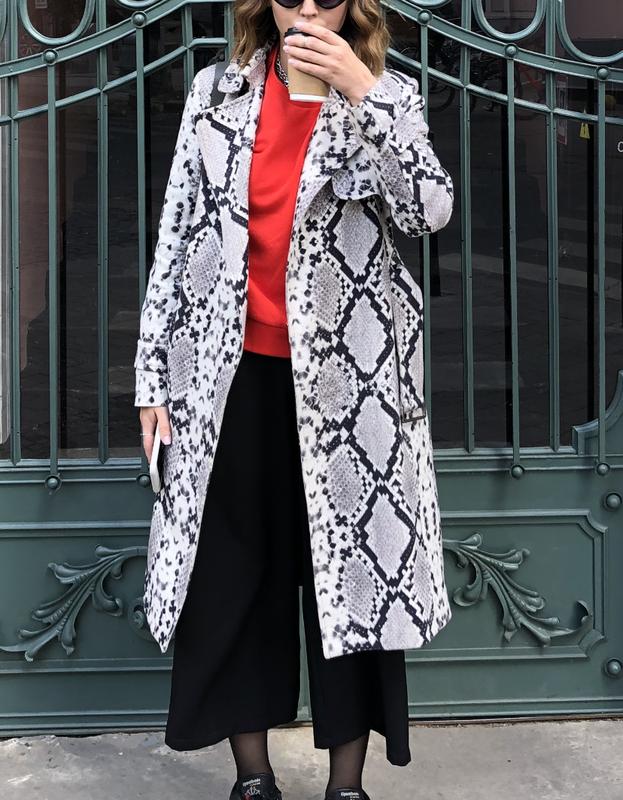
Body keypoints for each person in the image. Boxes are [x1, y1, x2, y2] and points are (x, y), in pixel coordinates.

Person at [135, 1, 454, 798]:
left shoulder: (389, 94)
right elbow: (178, 235)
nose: (307, 8)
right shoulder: (216, 92)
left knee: (353, 577)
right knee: (234, 574)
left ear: (354, 8)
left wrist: (362, 92)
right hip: (230, 376)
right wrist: (153, 377)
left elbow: (428, 211)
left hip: (352, 386)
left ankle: (346, 784)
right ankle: (253, 778)